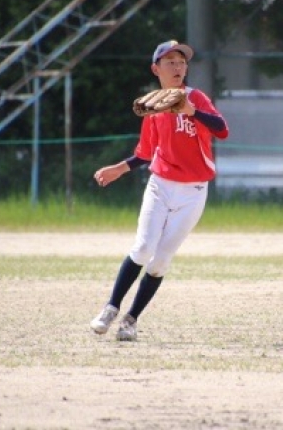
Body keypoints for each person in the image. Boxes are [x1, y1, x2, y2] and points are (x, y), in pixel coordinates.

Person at [90, 40, 229, 341]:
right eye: (170, 62)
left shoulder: (196, 98)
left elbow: (222, 130)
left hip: (193, 191)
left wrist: (193, 111)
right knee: (143, 248)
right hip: (160, 186)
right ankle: (111, 308)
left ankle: (130, 320)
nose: (178, 67)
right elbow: (145, 153)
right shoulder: (152, 106)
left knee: (161, 261)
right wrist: (118, 169)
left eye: (182, 62)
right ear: (156, 69)